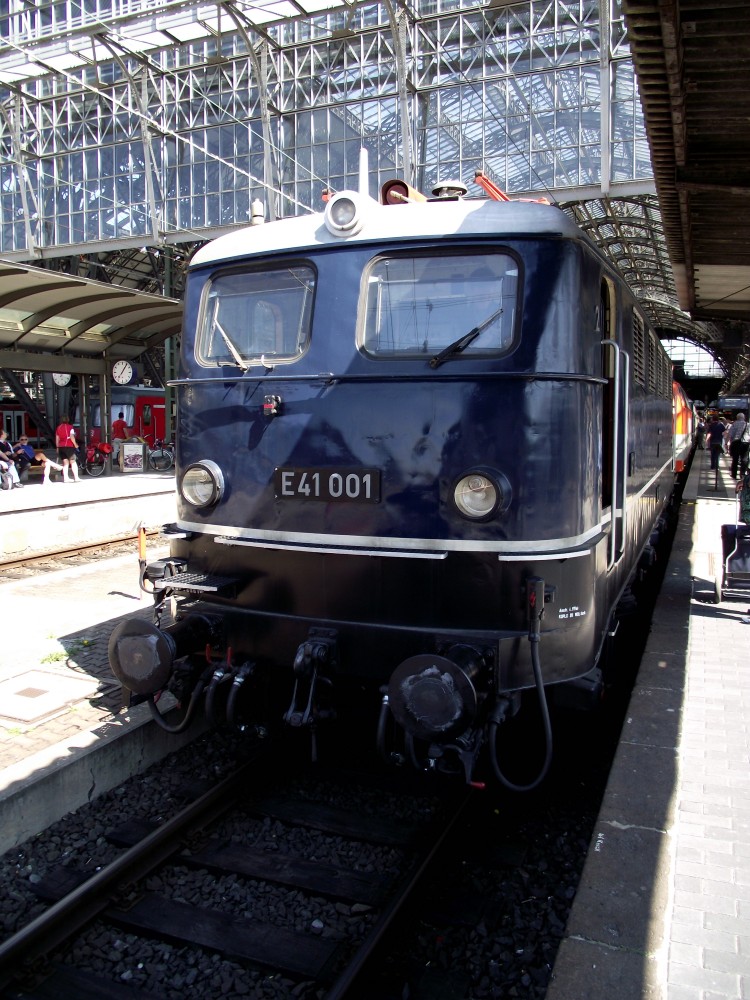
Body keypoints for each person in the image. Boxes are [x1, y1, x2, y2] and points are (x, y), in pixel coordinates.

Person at [726, 411, 749, 479]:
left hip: (736, 443)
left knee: (735, 459)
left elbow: (730, 434)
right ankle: (742, 474)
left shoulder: (734, 424)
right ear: (744, 417)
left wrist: (726, 443)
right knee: (744, 459)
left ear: (737, 418)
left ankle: (734, 474)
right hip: (745, 443)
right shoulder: (748, 424)